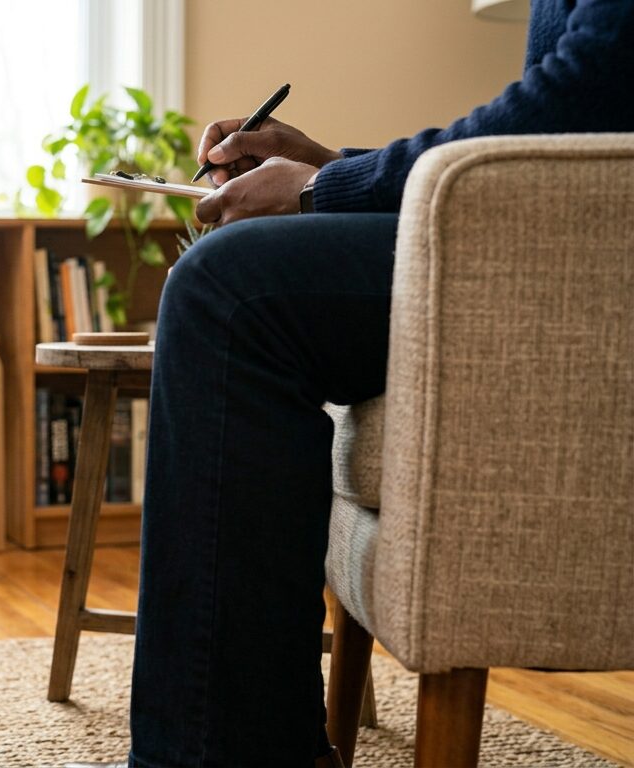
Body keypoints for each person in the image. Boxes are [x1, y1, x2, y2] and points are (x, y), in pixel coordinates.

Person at [69, 1, 634, 766]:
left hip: (589, 261)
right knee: (228, 282)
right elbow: (559, 137)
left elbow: (584, 99)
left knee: (228, 291)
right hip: (556, 236)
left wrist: (327, 186)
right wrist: (332, 167)